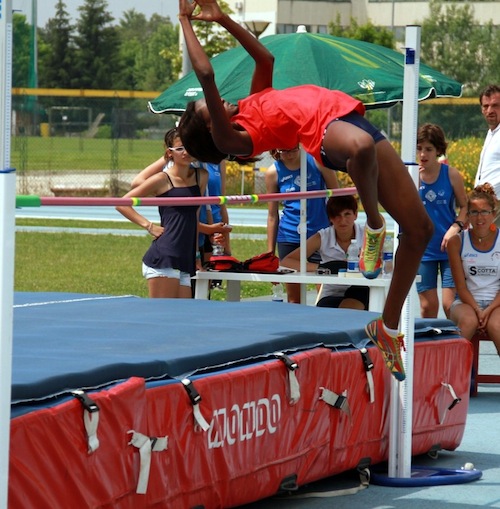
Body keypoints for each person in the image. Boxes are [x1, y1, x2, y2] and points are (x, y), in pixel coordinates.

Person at [176, 0, 433, 382]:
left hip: (346, 115)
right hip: (325, 133)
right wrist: (185, 20)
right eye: (208, 108)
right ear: (211, 125)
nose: (221, 101)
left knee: (420, 231)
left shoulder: (251, 102)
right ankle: (374, 230)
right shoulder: (235, 138)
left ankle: (388, 327)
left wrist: (223, 18)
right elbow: (207, 74)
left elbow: (264, 59)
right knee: (360, 149)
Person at [116, 127, 208, 298]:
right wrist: (149, 226)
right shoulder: (161, 179)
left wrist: (196, 255)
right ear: (169, 153)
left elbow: (194, 217)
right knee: (162, 318)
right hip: (165, 257)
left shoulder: (201, 176)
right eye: (180, 148)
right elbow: (122, 204)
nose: (186, 151)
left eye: (189, 146)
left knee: (181, 319)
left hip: (185, 258)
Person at [266, 147, 339, 303]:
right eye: (284, 151)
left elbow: (337, 197)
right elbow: (272, 215)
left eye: (293, 150)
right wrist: (270, 253)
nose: (290, 155)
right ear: (277, 150)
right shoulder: (273, 172)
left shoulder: (317, 162)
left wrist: (337, 232)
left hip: (318, 234)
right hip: (289, 236)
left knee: (325, 295)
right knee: (294, 299)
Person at [131, 158, 231, 260]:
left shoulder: (212, 164)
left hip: (213, 234)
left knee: (210, 274)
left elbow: (219, 202)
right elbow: (137, 182)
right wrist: (162, 191)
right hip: (187, 232)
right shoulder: (181, 158)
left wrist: (226, 246)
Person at [281, 195, 369, 310]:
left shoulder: (367, 235)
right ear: (330, 218)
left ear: (355, 215)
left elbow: (383, 262)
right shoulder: (323, 236)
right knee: (329, 313)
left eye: (347, 214)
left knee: (352, 302)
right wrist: (322, 268)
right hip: (331, 293)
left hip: (361, 290)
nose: (342, 220)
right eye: (337, 215)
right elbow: (286, 261)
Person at [416, 123, 467, 318]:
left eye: (428, 149)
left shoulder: (451, 174)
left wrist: (456, 227)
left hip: (449, 248)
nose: (423, 154)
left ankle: (453, 346)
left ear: (438, 150)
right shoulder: (410, 177)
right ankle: (425, 347)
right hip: (423, 250)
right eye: (419, 148)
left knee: (450, 305)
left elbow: (465, 207)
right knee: (428, 306)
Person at [447, 183, 500, 355]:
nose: (480, 218)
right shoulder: (456, 241)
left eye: (484, 211)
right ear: (467, 215)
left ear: (493, 214)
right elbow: (461, 288)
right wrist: (478, 310)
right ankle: (450, 376)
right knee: (469, 321)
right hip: (465, 302)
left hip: (496, 303)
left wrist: (488, 310)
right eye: (474, 212)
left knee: (497, 325)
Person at [474, 84, 500, 226]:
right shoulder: (492, 133)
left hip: (495, 204)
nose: (490, 110)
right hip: (484, 205)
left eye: (495, 105)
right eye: (486, 106)